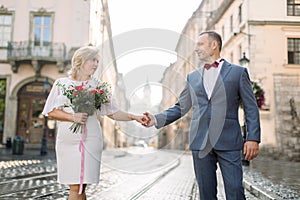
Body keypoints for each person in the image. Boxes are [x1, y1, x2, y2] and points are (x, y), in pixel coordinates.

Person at [144, 31, 260, 199]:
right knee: (206, 194)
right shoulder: (193, 77)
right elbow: (180, 107)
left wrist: (253, 138)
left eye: (200, 44)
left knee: (235, 190)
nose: (196, 49)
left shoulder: (238, 73)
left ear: (214, 45)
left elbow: (251, 107)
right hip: (201, 143)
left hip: (229, 141)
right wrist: (156, 118)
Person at [42, 46, 147, 200]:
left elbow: (113, 112)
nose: (96, 64)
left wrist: (134, 116)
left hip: (91, 138)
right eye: (93, 60)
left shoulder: (98, 86)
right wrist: (72, 117)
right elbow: (50, 111)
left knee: (81, 186)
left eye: (97, 61)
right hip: (67, 140)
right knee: (76, 186)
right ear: (80, 61)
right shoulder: (61, 83)